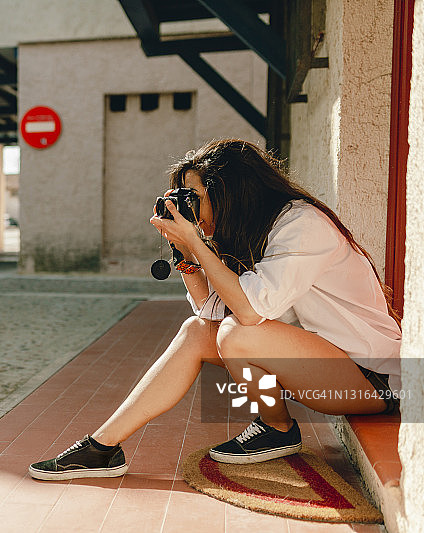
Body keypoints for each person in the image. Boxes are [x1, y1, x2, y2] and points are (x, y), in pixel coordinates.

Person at [28, 139, 402, 480]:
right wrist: (186, 255)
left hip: (372, 380)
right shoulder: (251, 230)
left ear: (232, 192)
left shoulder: (301, 225)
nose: (189, 209)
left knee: (238, 334)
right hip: (327, 366)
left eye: (193, 197)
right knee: (196, 332)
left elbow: (248, 315)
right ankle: (102, 447)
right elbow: (212, 314)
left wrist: (196, 242)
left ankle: (277, 429)